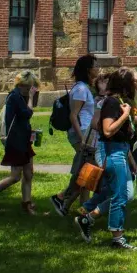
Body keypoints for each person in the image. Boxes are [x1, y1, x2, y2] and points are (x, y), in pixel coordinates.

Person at [75, 68, 137, 249]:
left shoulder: (120, 101)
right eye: (134, 81)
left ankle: (87, 218)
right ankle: (117, 239)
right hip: (111, 152)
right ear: (125, 84)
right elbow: (107, 130)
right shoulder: (111, 102)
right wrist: (126, 115)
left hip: (121, 150)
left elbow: (122, 134)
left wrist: (131, 158)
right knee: (119, 196)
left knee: (126, 195)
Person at [0, 70, 42, 216]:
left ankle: (27, 205)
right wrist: (30, 98)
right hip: (16, 142)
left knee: (29, 173)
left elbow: (21, 120)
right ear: (25, 85)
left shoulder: (18, 96)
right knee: (15, 176)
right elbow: (27, 113)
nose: (33, 90)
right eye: (32, 87)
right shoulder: (15, 97)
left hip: (23, 139)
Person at [50, 54, 100, 217]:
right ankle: (61, 197)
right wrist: (82, 139)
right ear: (87, 70)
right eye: (95, 66)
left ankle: (79, 208)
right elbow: (73, 115)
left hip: (87, 133)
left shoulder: (84, 88)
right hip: (82, 134)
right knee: (87, 171)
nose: (98, 69)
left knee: (88, 173)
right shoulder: (80, 89)